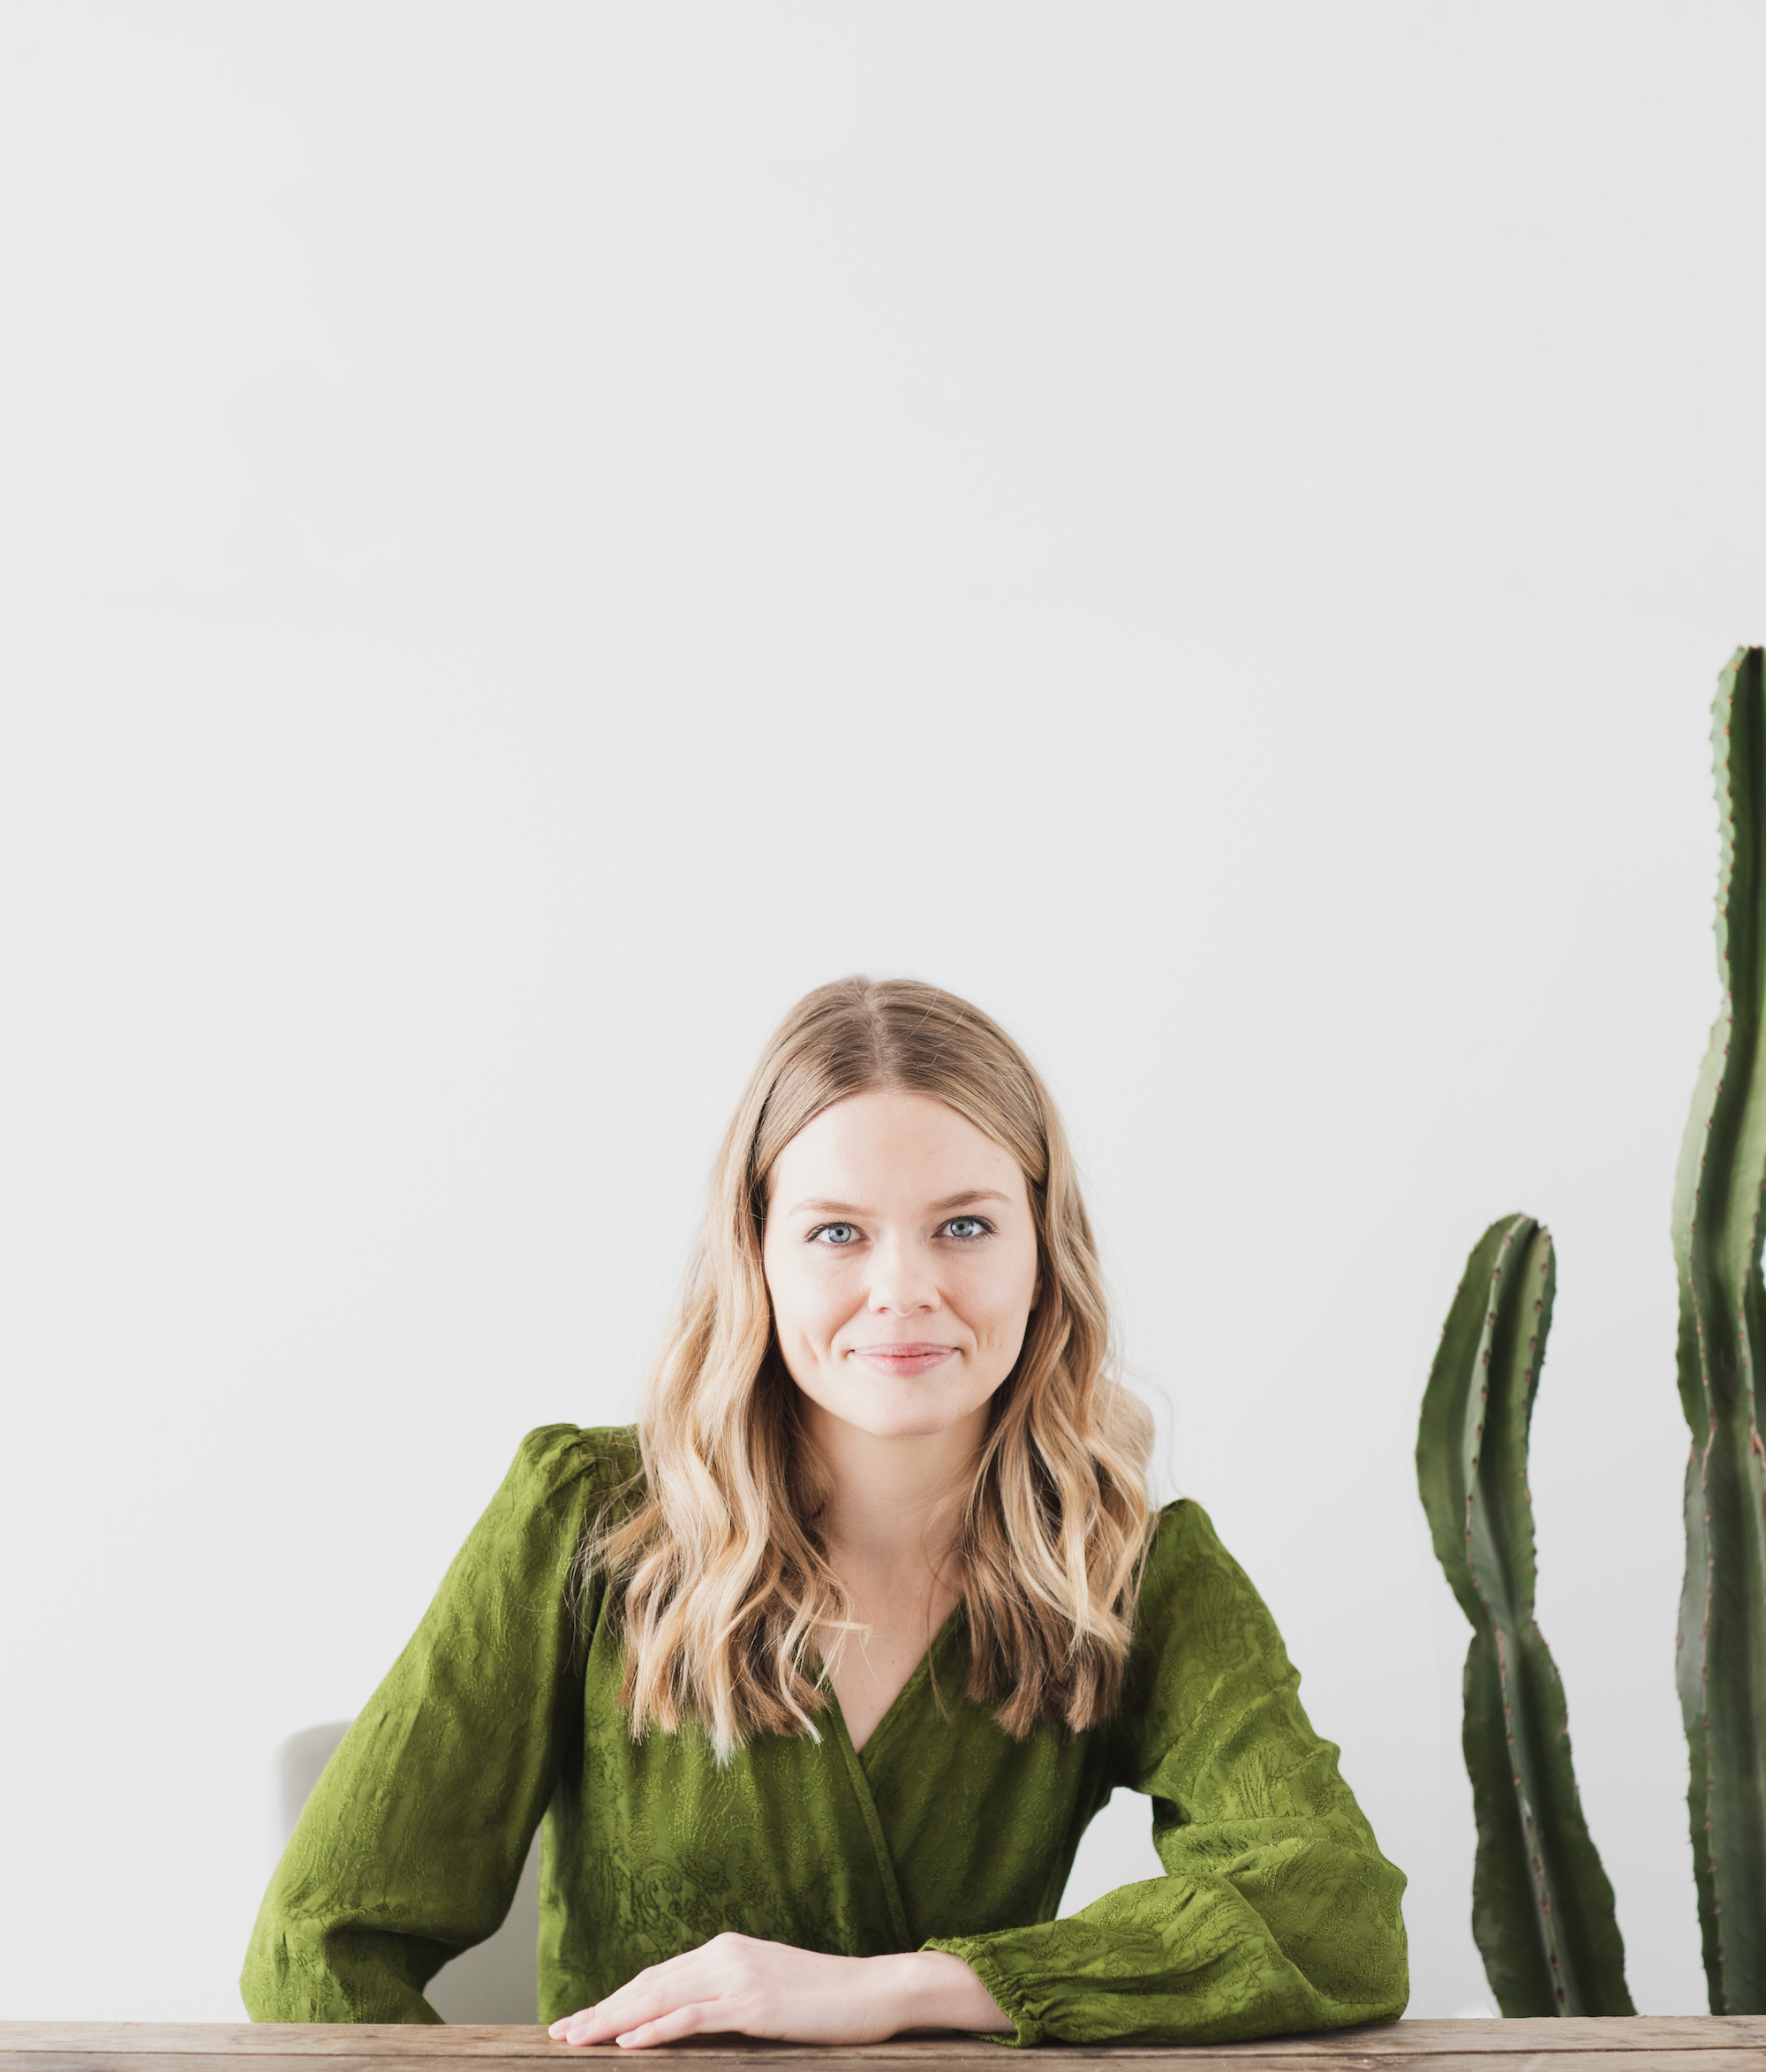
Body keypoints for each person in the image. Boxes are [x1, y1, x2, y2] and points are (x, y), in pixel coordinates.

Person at [241, 976, 1408, 2046]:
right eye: (837, 1231)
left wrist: (901, 1986)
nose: (903, 1286)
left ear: (1044, 1251)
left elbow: (1332, 1914)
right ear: (756, 1253)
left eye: (965, 1224)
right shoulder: (583, 1519)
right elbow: (317, 1946)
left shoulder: (1131, 1566)